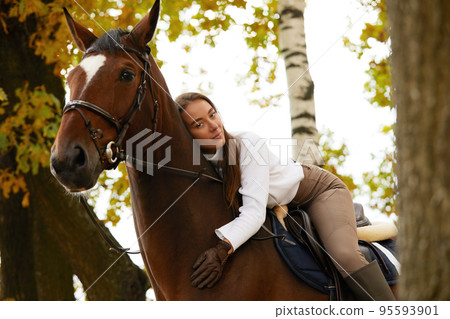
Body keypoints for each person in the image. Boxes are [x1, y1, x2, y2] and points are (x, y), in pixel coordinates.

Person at [175, 92, 395, 300]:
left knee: (344, 254)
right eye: (199, 124)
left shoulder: (246, 144)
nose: (214, 125)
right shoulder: (198, 162)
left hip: (318, 192)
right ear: (187, 134)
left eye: (213, 114)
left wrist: (222, 250)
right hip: (281, 204)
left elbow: (253, 213)